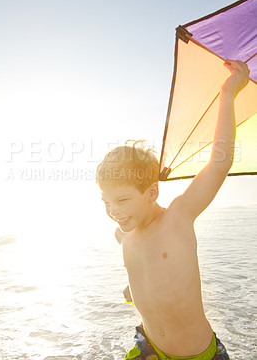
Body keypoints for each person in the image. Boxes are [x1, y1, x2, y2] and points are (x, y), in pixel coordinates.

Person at [96, 60, 249, 360]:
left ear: (152, 192)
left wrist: (229, 94)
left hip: (197, 354)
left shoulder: (177, 218)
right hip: (148, 347)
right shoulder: (122, 235)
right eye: (106, 202)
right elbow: (146, 265)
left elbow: (219, 165)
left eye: (123, 201)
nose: (114, 211)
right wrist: (134, 286)